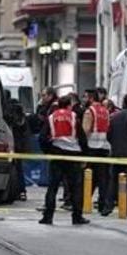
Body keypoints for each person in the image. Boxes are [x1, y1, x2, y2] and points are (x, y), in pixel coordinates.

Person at [39, 95, 89, 226]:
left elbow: (42, 137)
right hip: (73, 155)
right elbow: (82, 137)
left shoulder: (51, 117)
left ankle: (48, 216)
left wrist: (48, 151)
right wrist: (84, 155)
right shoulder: (73, 116)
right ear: (69, 105)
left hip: (57, 154)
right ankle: (77, 217)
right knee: (75, 188)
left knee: (53, 187)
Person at [107, 93, 127, 216]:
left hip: (117, 153)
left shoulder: (115, 116)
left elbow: (109, 135)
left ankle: (108, 206)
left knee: (115, 181)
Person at [83, 88, 112, 216]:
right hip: (104, 147)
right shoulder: (105, 111)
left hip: (92, 147)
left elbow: (86, 130)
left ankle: (84, 202)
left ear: (90, 98)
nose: (84, 99)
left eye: (85, 97)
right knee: (103, 178)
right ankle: (102, 204)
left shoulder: (90, 111)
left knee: (88, 177)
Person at [4, 97, 29, 201]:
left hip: (10, 144)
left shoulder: (9, 116)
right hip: (20, 145)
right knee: (19, 168)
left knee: (11, 168)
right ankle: (22, 191)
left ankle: (12, 191)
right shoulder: (22, 118)